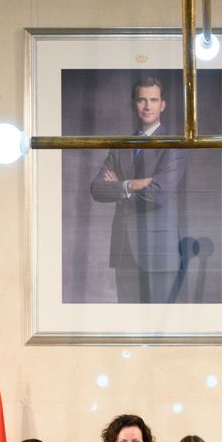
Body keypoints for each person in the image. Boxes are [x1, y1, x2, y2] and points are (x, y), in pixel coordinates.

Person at [87, 76, 186, 304]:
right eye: (142, 100)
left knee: (159, 326)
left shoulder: (175, 144)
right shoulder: (121, 146)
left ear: (162, 105)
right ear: (133, 103)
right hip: (124, 251)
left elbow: (158, 193)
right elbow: (97, 188)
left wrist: (119, 189)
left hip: (160, 252)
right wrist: (131, 184)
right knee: (129, 324)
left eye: (153, 100)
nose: (148, 106)